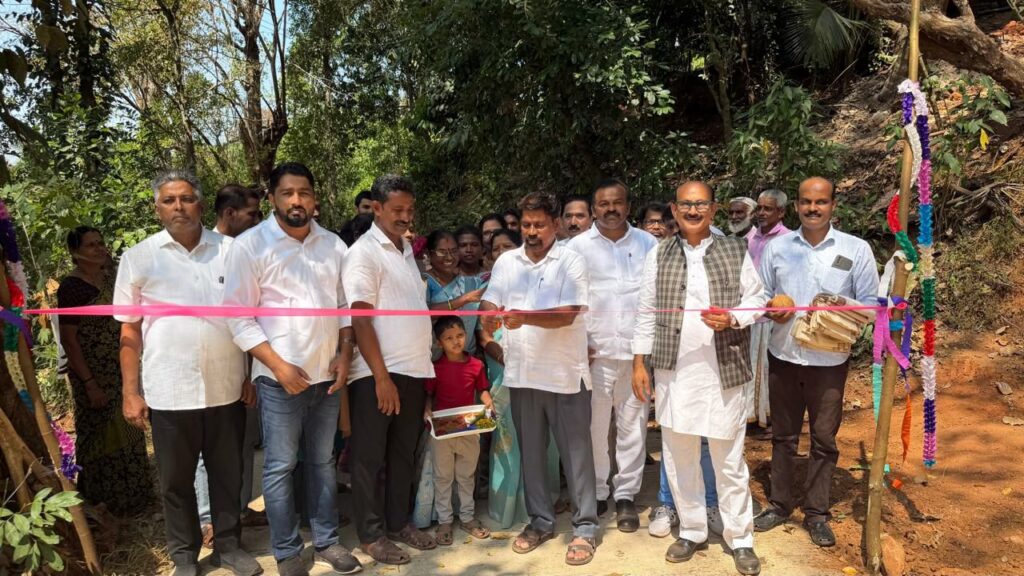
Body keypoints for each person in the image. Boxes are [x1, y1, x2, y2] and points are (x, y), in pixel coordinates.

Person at [116, 170, 260, 576]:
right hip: (169, 390)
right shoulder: (138, 257)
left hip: (226, 387)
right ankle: (183, 555)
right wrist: (130, 391)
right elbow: (129, 330)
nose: (178, 207)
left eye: (186, 198)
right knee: (175, 482)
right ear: (157, 209)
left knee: (228, 474)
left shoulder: (232, 252)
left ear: (200, 204)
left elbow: (249, 317)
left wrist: (249, 375)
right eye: (169, 200)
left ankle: (229, 546)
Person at [223, 163, 361, 576]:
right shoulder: (250, 246)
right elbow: (238, 318)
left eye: (304, 192)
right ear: (272, 198)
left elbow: (344, 307)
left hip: (326, 376)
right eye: (287, 193)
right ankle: (286, 552)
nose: (296, 200)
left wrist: (345, 353)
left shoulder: (333, 245)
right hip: (278, 381)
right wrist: (278, 366)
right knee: (280, 466)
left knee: (322, 462)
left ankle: (328, 542)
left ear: (314, 199)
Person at [632, 181, 765, 576]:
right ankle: (692, 530)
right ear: (674, 210)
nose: (693, 211)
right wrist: (639, 363)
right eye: (686, 205)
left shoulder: (734, 249)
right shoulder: (659, 253)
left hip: (724, 371)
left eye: (700, 205)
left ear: (713, 210)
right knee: (679, 456)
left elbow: (758, 300)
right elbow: (645, 311)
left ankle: (740, 538)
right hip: (673, 373)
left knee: (729, 460)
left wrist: (733, 317)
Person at [754, 177, 880, 548]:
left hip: (829, 361)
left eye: (821, 202)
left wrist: (840, 308)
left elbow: (871, 305)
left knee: (824, 439)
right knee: (783, 436)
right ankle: (779, 505)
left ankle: (817, 514)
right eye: (806, 202)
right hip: (784, 355)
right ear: (796, 206)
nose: (813, 208)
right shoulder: (777, 248)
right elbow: (760, 295)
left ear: (833, 205)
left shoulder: (855, 249)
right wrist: (771, 310)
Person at [480, 192, 598, 566]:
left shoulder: (572, 260)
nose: (531, 232)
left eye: (539, 225)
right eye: (526, 225)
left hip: (565, 376)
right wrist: (488, 314)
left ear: (556, 225)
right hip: (522, 374)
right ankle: (541, 521)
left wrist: (523, 317)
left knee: (576, 456)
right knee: (531, 454)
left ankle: (585, 528)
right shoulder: (507, 262)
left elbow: (569, 313)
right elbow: (490, 300)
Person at [343, 174, 437, 565]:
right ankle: (371, 535)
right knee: (368, 458)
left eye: (410, 210)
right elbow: (360, 319)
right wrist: (381, 377)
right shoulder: (363, 253)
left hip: (413, 370)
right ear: (377, 208)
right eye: (397, 209)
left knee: (402, 454)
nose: (405, 216)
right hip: (377, 374)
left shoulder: (406, 250)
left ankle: (398, 523)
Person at [567, 179, 656, 532]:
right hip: (594, 355)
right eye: (603, 204)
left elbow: (654, 300)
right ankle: (598, 490)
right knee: (594, 428)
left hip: (637, 357)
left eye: (617, 203)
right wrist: (578, 343)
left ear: (628, 207)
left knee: (633, 428)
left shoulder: (648, 244)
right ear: (593, 209)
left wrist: (645, 353)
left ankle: (626, 495)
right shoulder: (576, 248)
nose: (611, 209)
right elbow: (569, 299)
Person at [57, 226, 153, 516]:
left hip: (120, 365)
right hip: (93, 373)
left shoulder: (113, 277)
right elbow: (69, 340)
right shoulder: (72, 288)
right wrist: (89, 383)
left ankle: (135, 497)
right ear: (75, 252)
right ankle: (103, 502)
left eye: (100, 243)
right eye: (91, 245)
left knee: (129, 426)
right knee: (99, 435)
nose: (99, 249)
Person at [195, 184, 267, 550]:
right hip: (207, 366)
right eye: (252, 214)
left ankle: (239, 508)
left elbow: (252, 315)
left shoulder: (251, 251)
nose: (257, 220)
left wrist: (250, 371)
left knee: (243, 442)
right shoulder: (204, 255)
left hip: (246, 366)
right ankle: (207, 518)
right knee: (207, 449)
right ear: (229, 214)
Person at [481, 229, 562, 528]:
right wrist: (505, 357)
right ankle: (506, 507)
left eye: (508, 246)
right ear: (490, 256)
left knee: (541, 439)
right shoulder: (487, 291)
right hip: (503, 370)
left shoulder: (538, 283)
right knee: (508, 440)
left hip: (537, 370)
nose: (502, 252)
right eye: (496, 248)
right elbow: (483, 333)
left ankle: (544, 502)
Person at [423, 316, 494, 545]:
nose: (456, 341)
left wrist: (488, 402)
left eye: (460, 335)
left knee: (466, 475)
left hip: (469, 426)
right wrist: (427, 409)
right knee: (443, 476)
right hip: (441, 429)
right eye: (449, 338)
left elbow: (482, 390)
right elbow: (429, 395)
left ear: (466, 335)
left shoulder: (476, 365)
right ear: (439, 342)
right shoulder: (435, 368)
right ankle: (444, 521)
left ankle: (467, 518)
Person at [743, 189, 792, 436]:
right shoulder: (749, 238)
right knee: (750, 366)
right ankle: (751, 416)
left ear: (781, 212)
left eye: (768, 209)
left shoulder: (789, 240)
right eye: (759, 208)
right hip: (749, 312)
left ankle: (771, 419)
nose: (761, 213)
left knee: (768, 368)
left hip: (774, 315)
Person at [423, 230, 485, 354]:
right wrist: (462, 300)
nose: (449, 257)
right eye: (442, 252)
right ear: (429, 254)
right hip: (437, 358)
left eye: (454, 251)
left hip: (468, 356)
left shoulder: (471, 283)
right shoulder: (424, 281)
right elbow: (423, 314)